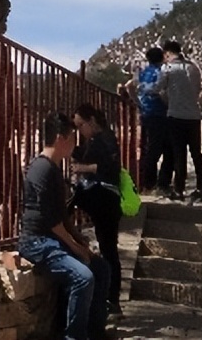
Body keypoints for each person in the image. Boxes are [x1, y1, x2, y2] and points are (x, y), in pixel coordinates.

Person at [18, 112, 111, 340]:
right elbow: (50, 222)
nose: (75, 144)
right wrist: (76, 248)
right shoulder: (42, 169)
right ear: (61, 138)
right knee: (83, 277)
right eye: (72, 138)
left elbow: (61, 215)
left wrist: (80, 240)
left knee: (101, 268)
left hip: (53, 238)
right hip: (38, 241)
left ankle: (95, 331)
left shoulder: (53, 168)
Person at [71, 103, 123, 319]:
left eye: (81, 125)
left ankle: (113, 299)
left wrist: (83, 168)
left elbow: (109, 167)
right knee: (106, 246)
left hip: (106, 200)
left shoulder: (108, 138)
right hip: (97, 197)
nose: (80, 130)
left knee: (109, 248)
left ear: (91, 120)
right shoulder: (93, 140)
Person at [153, 40, 202, 202]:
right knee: (197, 153)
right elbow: (197, 90)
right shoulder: (194, 68)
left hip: (175, 115)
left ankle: (179, 189)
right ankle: (200, 187)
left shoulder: (168, 69)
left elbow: (157, 88)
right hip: (193, 115)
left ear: (167, 53)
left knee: (179, 153)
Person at [118, 46, 173, 195]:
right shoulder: (161, 72)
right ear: (162, 57)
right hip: (160, 113)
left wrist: (138, 103)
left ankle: (148, 183)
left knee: (148, 148)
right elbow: (161, 92)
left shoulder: (142, 73)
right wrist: (168, 104)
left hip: (146, 113)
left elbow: (129, 86)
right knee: (163, 149)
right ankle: (155, 183)